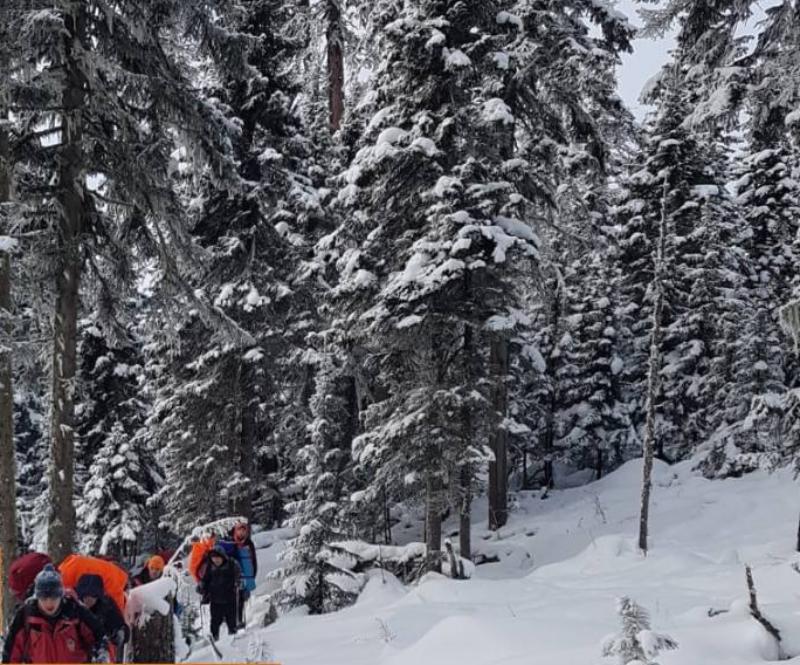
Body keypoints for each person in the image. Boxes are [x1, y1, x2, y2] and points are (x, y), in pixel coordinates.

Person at [2, 564, 107, 663]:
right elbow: (11, 653)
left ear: (61, 596)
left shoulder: (75, 611)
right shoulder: (26, 616)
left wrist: (98, 655)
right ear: (37, 597)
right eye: (44, 598)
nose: (49, 602)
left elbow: (98, 636)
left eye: (53, 597)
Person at [75, 574, 129, 663]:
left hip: (101, 654)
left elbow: (121, 628)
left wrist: (119, 633)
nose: (87, 599)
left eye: (92, 595)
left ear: (98, 595)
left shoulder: (107, 607)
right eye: (84, 595)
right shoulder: (71, 607)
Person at [197, 545, 241, 641]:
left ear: (223, 556)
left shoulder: (232, 565)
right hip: (215, 600)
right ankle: (215, 639)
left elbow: (239, 578)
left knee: (231, 622)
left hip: (230, 600)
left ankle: (233, 639)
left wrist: (238, 584)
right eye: (213, 558)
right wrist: (201, 588)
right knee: (215, 623)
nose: (215, 560)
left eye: (218, 558)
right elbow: (205, 580)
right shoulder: (210, 567)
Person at [229, 522, 257, 628]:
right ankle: (233, 621)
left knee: (241, 599)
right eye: (240, 530)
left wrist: (253, 574)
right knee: (234, 598)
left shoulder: (249, 543)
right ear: (236, 530)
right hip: (234, 576)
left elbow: (253, 560)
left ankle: (239, 620)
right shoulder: (231, 542)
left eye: (244, 530)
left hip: (247, 576)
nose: (242, 532)